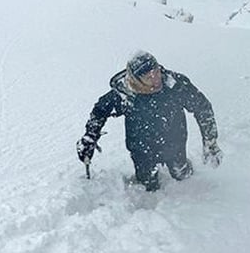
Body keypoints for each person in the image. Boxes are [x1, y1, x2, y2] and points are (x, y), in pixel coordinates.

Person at [77, 51, 222, 191]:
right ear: (136, 79)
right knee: (147, 185)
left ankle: (183, 170)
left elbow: (203, 108)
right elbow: (99, 111)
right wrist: (90, 136)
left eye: (157, 71)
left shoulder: (175, 86)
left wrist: (210, 141)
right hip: (141, 148)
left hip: (174, 141)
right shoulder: (125, 94)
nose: (156, 78)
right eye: (148, 77)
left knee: (181, 174)